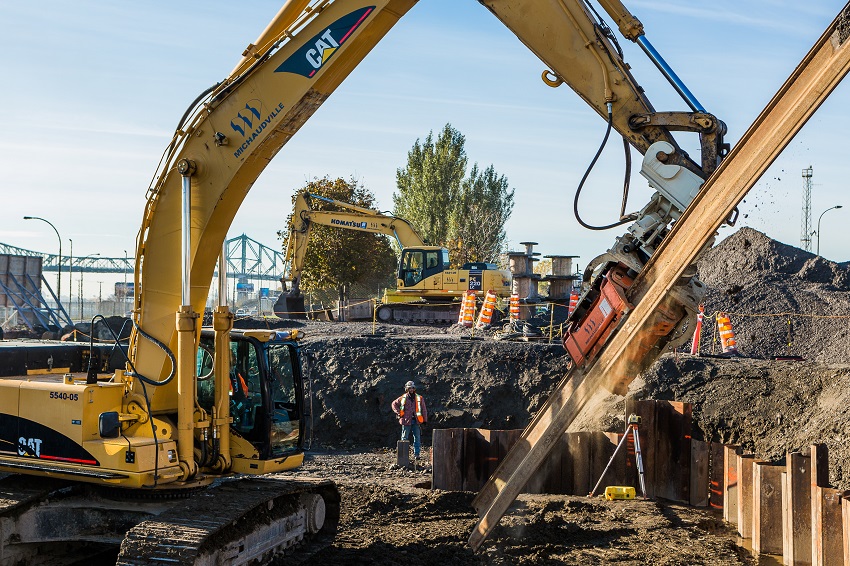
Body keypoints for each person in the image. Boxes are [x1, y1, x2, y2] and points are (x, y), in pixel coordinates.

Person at [391, 380, 428, 459]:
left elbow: (424, 409)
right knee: (404, 438)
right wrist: (398, 413)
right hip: (406, 421)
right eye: (409, 388)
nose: (411, 389)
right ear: (407, 389)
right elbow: (394, 404)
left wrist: (425, 420)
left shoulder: (419, 398)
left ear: (414, 388)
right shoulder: (403, 398)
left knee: (417, 437)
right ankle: (403, 455)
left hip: (416, 421)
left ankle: (416, 454)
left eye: (412, 388)